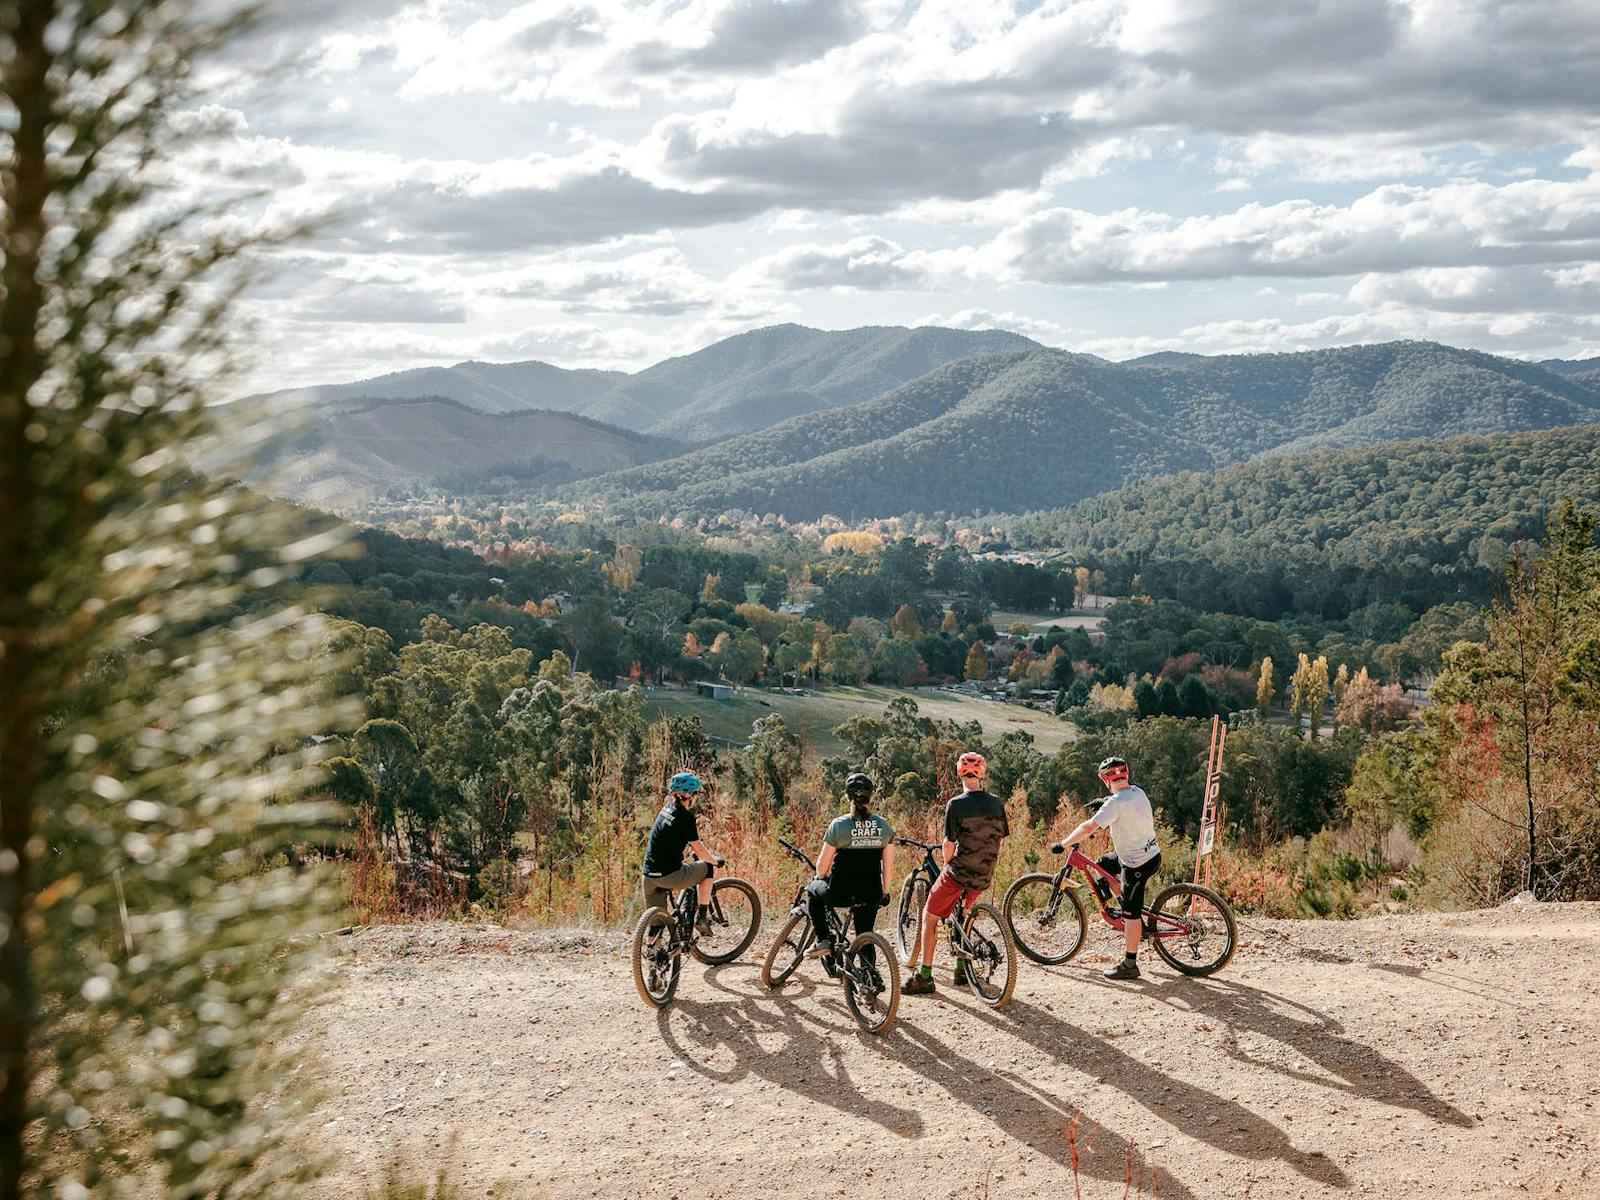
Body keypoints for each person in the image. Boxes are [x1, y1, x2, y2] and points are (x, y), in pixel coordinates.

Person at [904, 750, 1009, 996]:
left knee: (930, 918)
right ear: (982, 773)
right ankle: (962, 970)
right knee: (964, 914)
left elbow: (949, 845)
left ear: (960, 773)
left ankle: (925, 976)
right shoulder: (997, 803)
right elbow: (999, 837)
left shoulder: (956, 804)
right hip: (985, 872)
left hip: (960, 871)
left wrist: (948, 865)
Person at [1051, 755, 1162, 980]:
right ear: (1126, 774)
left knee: (1131, 914)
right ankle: (1125, 906)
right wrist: (1104, 802)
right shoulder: (1137, 792)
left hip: (1136, 864)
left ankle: (1130, 963)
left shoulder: (1115, 803)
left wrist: (1064, 843)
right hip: (1151, 854)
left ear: (1104, 780)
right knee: (1104, 865)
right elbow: (1123, 804)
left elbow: (1089, 826)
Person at [804, 772, 895, 965]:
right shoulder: (884, 826)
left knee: (812, 890)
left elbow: (822, 866)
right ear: (870, 797)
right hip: (871, 893)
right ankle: (869, 977)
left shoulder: (839, 825)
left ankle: (823, 940)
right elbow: (888, 866)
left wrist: (820, 877)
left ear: (848, 796)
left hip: (840, 894)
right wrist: (885, 892)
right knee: (865, 933)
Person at [641, 771, 724, 935]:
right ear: (692, 795)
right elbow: (698, 848)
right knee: (708, 868)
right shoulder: (686, 817)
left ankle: (653, 954)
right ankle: (701, 918)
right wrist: (714, 860)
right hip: (669, 876)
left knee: (656, 924)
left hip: (648, 876)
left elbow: (669, 839)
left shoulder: (666, 809)